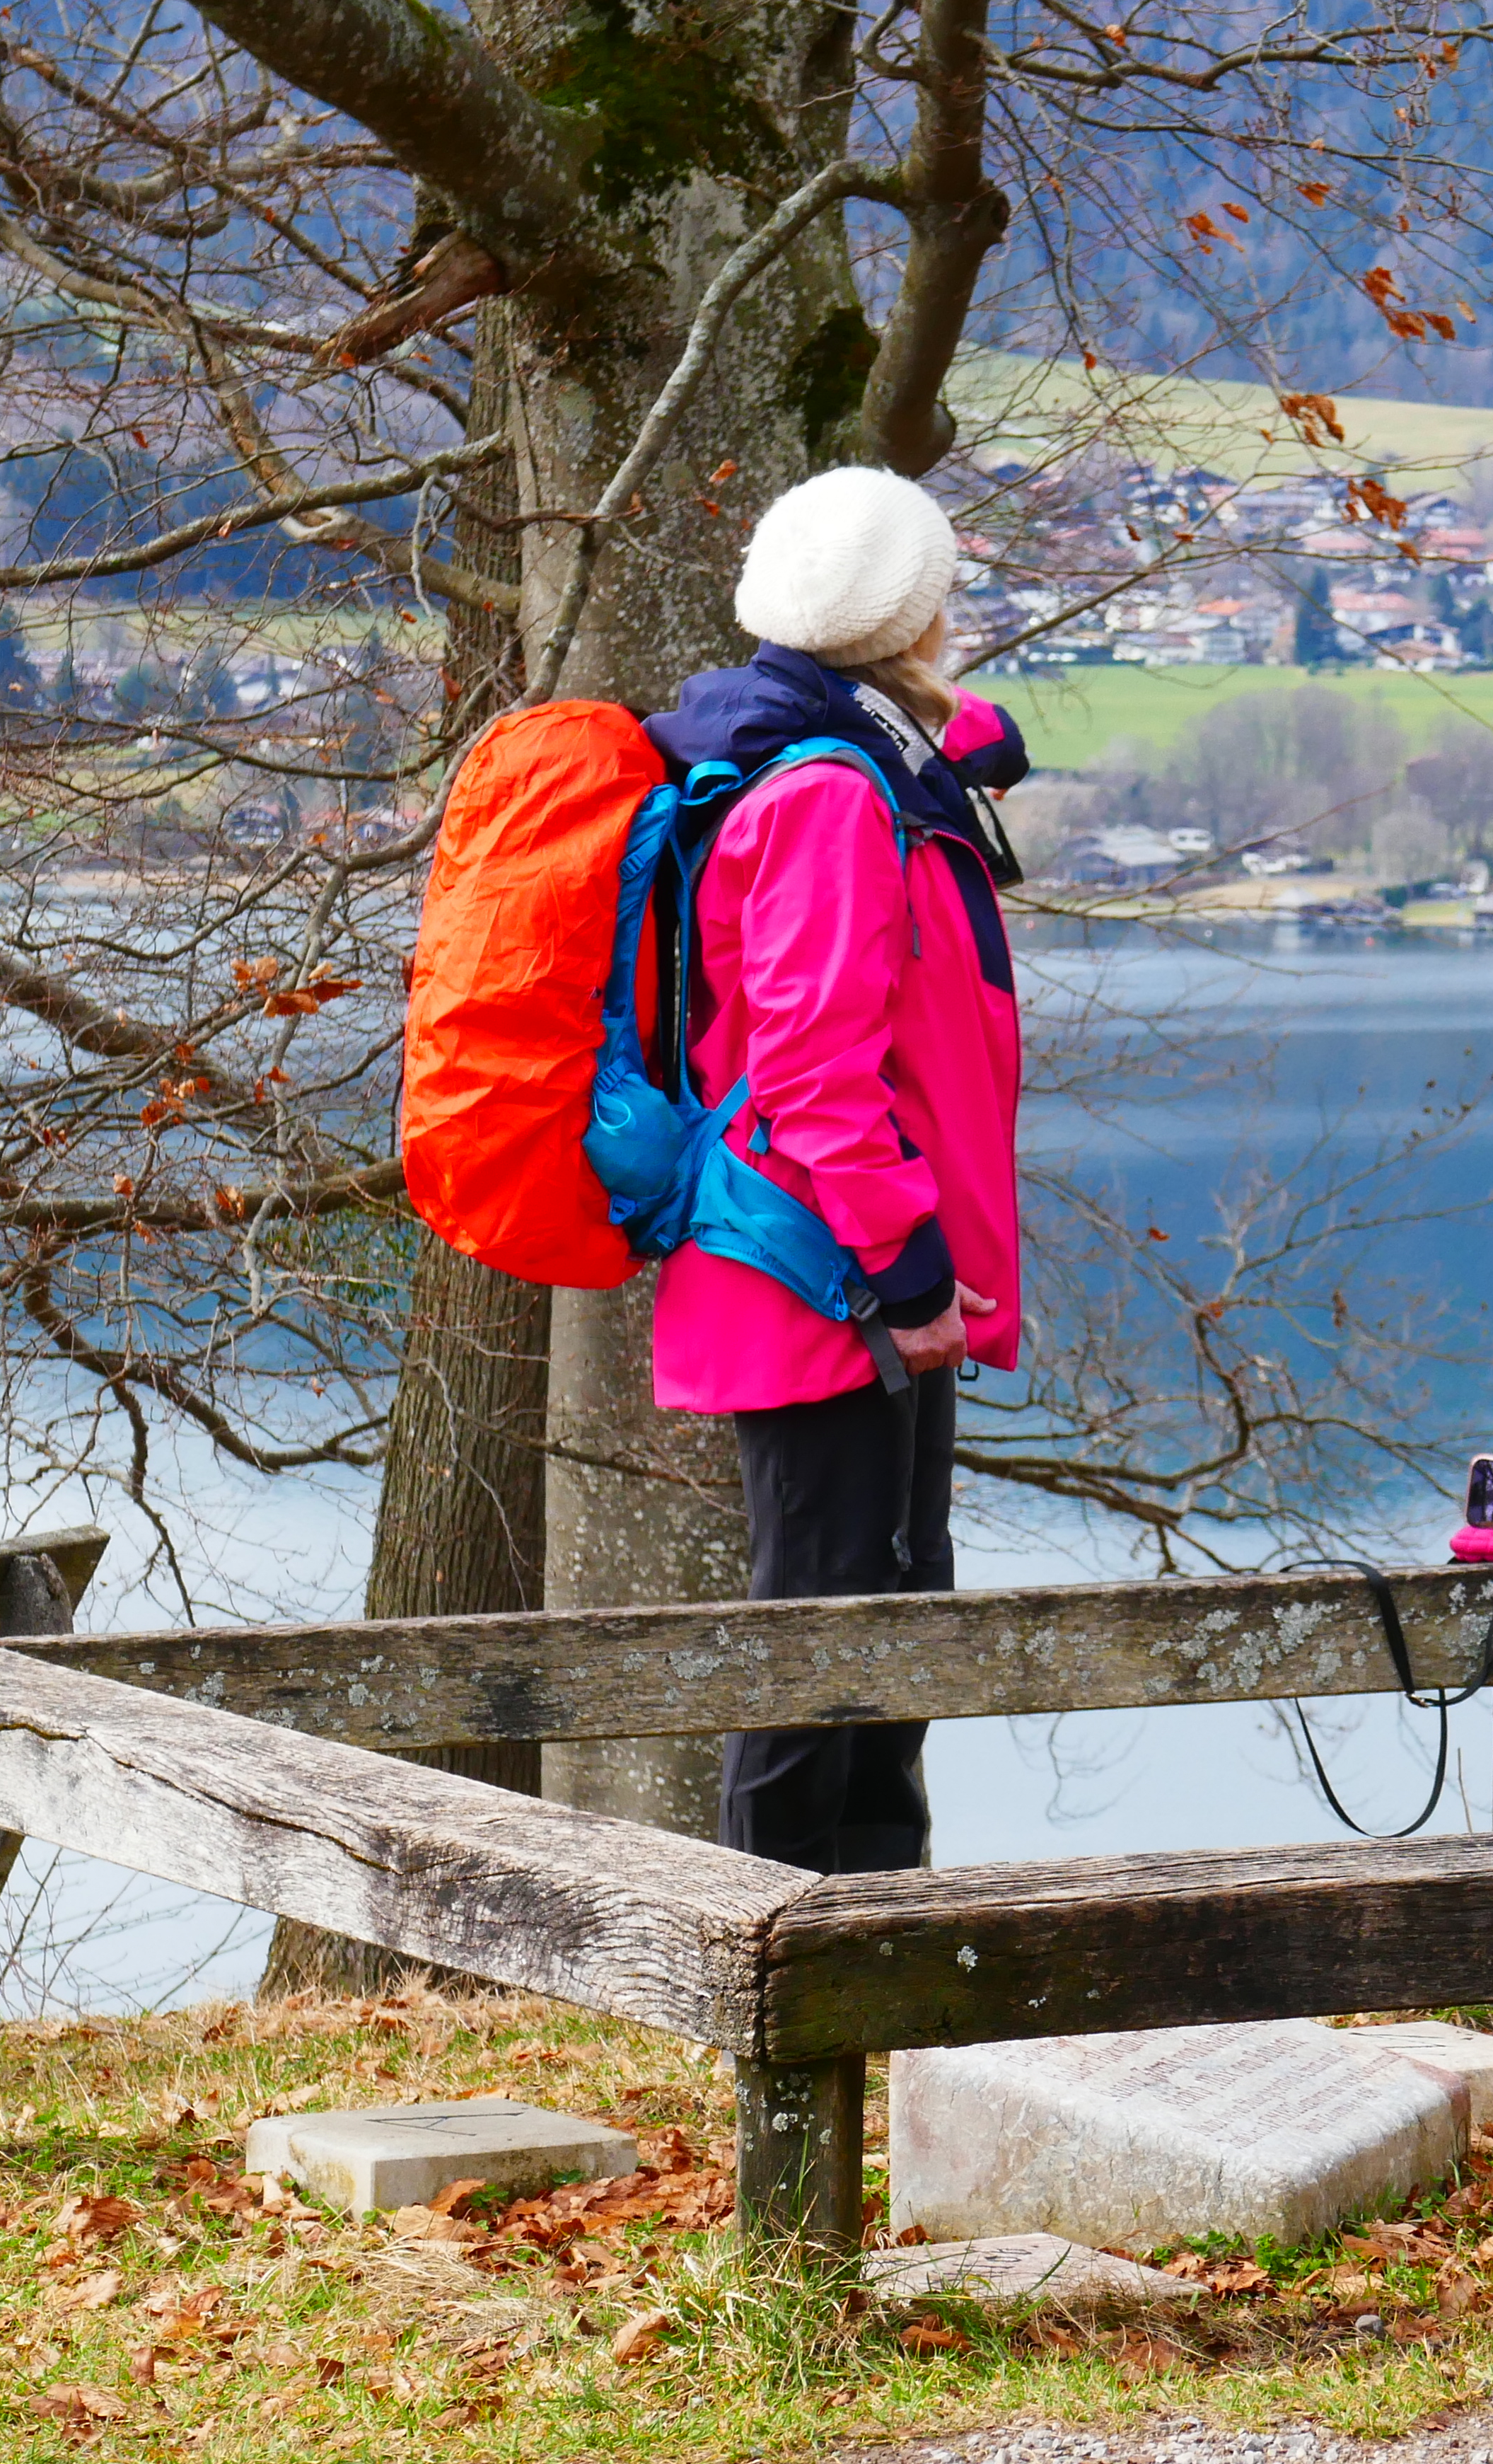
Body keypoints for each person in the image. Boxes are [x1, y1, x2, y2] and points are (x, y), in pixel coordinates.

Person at [644, 466, 1028, 1875]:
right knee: (813, 1647)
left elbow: (949, 744)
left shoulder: (869, 763)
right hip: (822, 1274)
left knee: (894, 1625)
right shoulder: (823, 797)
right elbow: (813, 1069)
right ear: (909, 614)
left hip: (867, 1268)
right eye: (941, 596)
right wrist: (909, 1267)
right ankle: (776, 1982)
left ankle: (888, 1955)